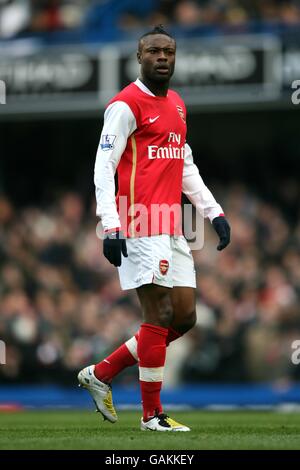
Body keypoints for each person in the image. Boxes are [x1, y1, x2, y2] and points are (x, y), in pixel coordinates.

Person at [78, 25, 230, 432]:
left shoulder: (178, 105)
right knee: (158, 312)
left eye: (168, 51)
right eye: (154, 51)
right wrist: (110, 224)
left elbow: (185, 165)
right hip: (137, 221)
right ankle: (152, 415)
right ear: (139, 57)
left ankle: (102, 372)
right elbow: (103, 166)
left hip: (172, 224)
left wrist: (214, 213)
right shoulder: (125, 105)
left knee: (184, 319)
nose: (162, 57)